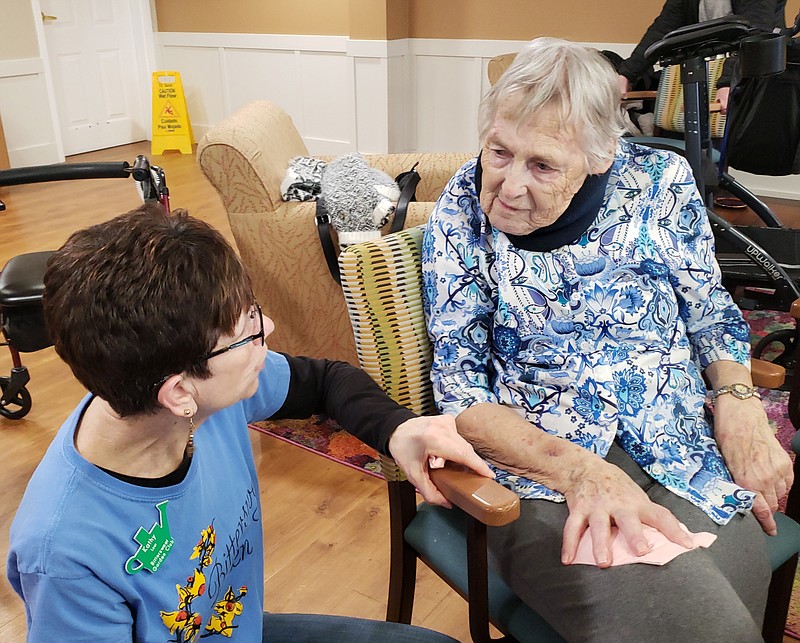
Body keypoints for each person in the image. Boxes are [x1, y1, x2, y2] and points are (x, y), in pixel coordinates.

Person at [422, 37, 793, 642]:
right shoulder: (460, 215)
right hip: (542, 474)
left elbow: (710, 312)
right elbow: (461, 398)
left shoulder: (660, 183)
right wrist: (581, 473)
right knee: (707, 625)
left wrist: (741, 407)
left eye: (542, 165)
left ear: (601, 156)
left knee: (720, 605)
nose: (509, 186)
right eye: (498, 152)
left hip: (683, 453)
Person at [7, 203, 493, 642]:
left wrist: (398, 429)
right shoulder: (63, 555)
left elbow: (325, 380)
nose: (270, 331)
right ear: (180, 393)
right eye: (248, 332)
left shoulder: (194, 399)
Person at [617, 0, 787, 113]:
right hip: (699, 73)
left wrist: (728, 82)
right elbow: (663, 29)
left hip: (745, 76)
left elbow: (754, 33)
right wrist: (626, 74)